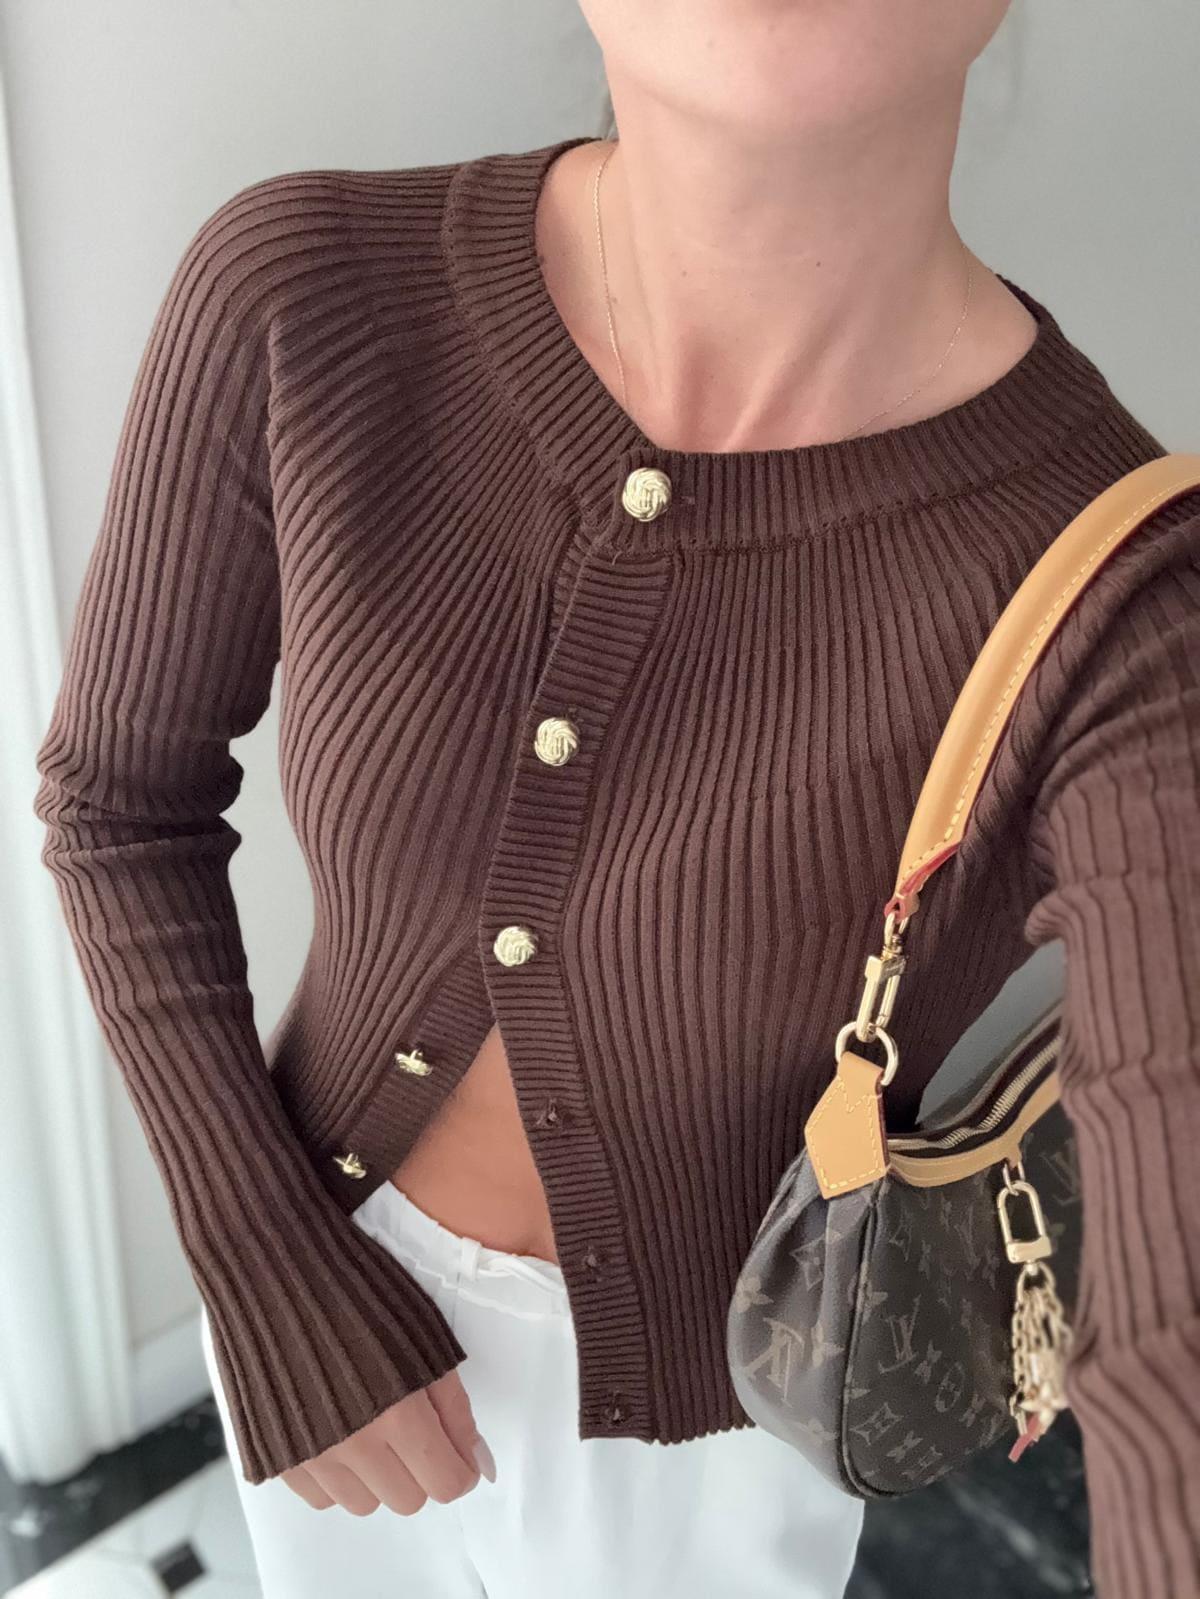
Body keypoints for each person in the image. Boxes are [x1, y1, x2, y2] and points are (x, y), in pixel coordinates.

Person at [32, 3, 1200, 1597]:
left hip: (721, 1438)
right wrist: (261, 1256)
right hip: (316, 1276)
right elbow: (120, 808)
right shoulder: (299, 293)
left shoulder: (1135, 604)